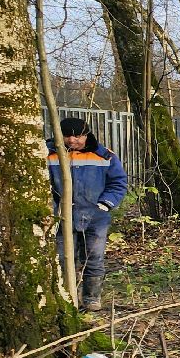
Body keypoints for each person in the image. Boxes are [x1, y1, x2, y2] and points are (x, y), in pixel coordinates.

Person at [47, 117, 128, 312]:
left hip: (95, 217)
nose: (73, 140)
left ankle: (91, 298)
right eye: (67, 136)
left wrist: (105, 204)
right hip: (61, 218)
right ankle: (67, 298)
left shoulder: (104, 156)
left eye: (78, 136)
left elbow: (118, 183)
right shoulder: (48, 154)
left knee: (93, 259)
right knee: (62, 259)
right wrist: (51, 210)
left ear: (86, 135)